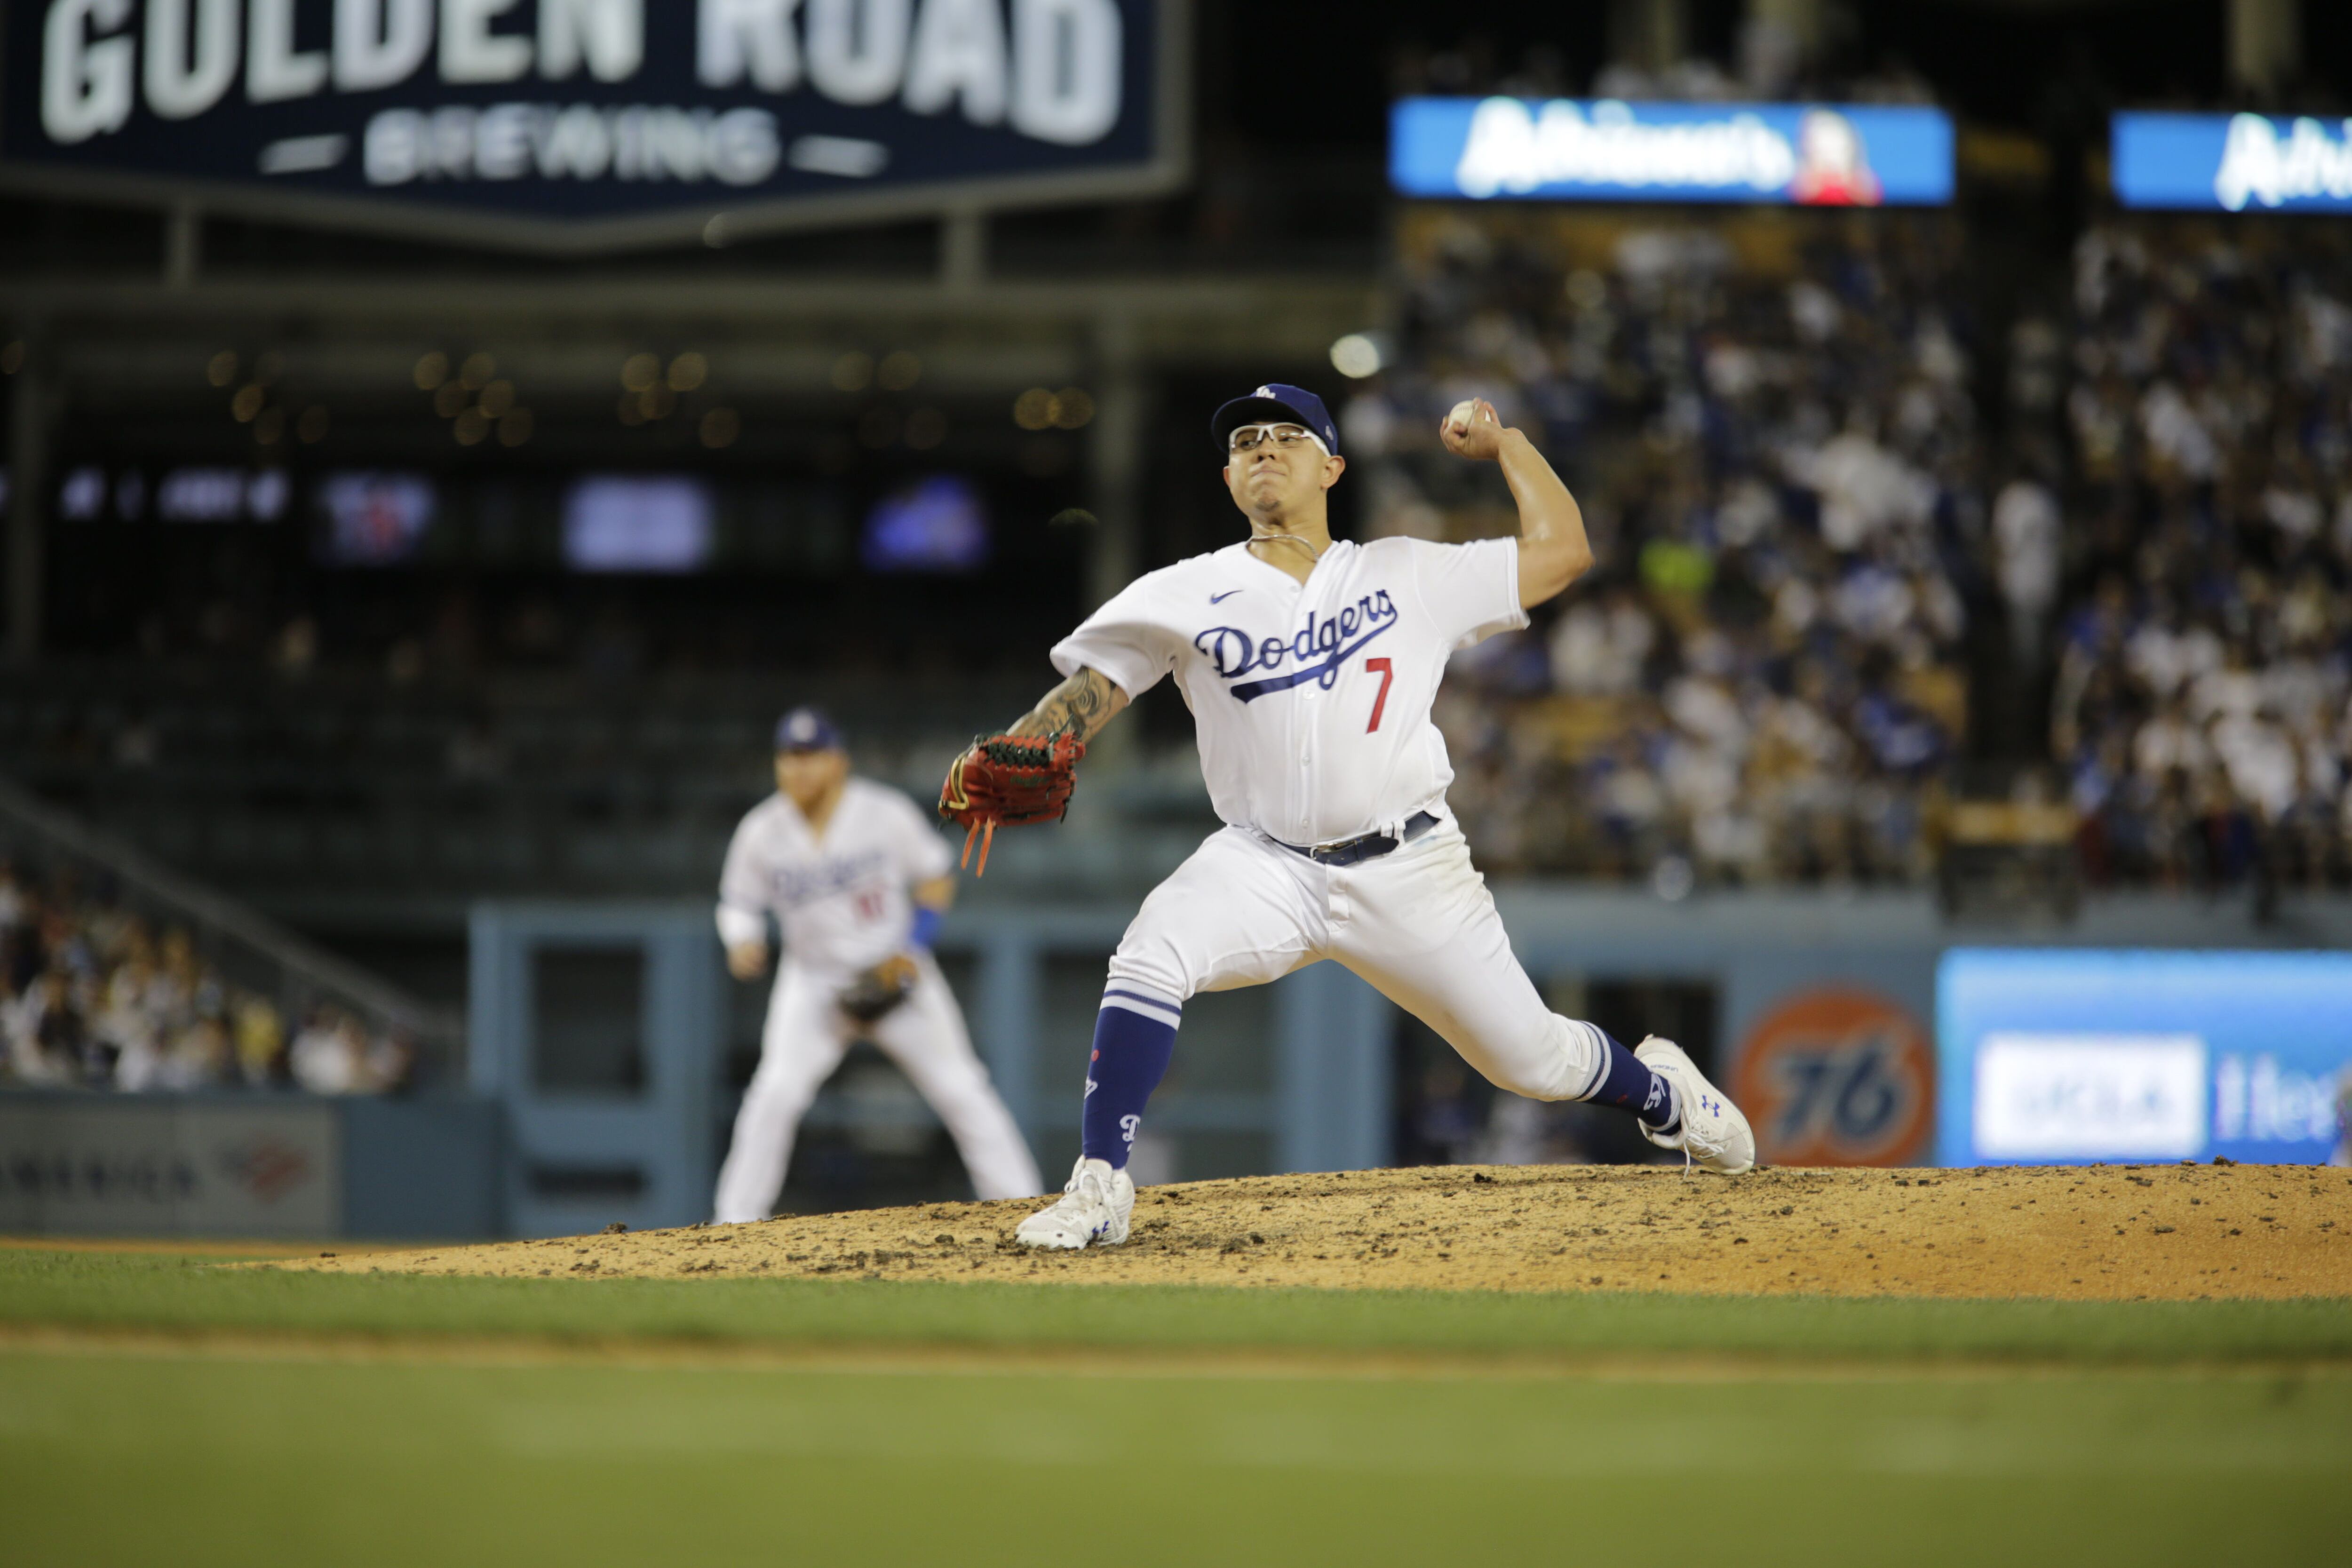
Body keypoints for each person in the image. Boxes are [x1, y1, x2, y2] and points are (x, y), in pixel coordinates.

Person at [953, 385, 1756, 1251]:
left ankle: (1669, 1096)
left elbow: (1563, 551)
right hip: (1266, 864)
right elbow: (1093, 690)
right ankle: (1100, 1184)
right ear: (1228, 476)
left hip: (1409, 866)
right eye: (1246, 441)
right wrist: (1025, 741)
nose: (1264, 447)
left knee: (1534, 1060)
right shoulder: (1185, 591)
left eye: (1287, 436)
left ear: (1332, 466)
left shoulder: (1406, 571)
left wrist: (1510, 444)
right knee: (1152, 949)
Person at [711, 708, 1042, 1223]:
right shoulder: (761, 831)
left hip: (896, 972)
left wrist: (910, 951)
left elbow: (935, 879)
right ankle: (732, 1224)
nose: (799, 768)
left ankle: (1024, 1206)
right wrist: (741, 939)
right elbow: (737, 902)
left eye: (811, 755)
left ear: (838, 761)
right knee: (773, 1095)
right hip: (813, 982)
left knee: (962, 1090)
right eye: (789, 757)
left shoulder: (882, 813)